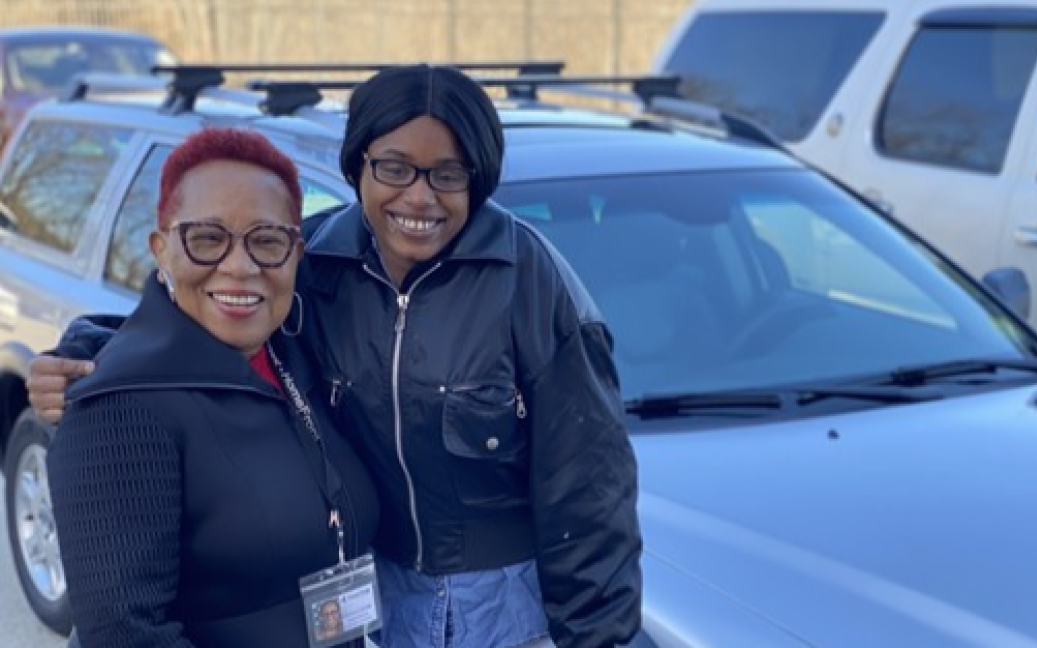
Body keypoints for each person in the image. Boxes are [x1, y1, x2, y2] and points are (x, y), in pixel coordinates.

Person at [31, 64, 642, 648]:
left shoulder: (530, 285)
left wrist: (594, 636)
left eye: (447, 174)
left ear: (476, 179)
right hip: (370, 600)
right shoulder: (318, 263)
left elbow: (590, 496)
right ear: (359, 169)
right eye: (395, 168)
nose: (420, 197)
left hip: (501, 609)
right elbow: (213, 321)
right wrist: (89, 352)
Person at [45, 127, 380, 648]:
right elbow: (124, 635)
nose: (240, 267)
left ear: (296, 253)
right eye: (207, 238)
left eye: (267, 241)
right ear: (162, 250)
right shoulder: (119, 408)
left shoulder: (294, 355)